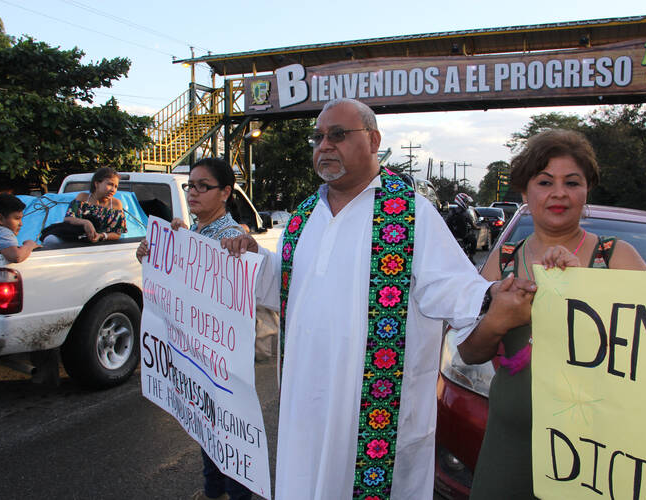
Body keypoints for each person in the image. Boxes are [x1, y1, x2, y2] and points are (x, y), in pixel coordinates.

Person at [220, 98, 534, 499]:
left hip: (374, 418)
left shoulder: (408, 214)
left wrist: (490, 295)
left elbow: (453, 286)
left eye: (338, 135)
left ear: (373, 140)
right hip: (307, 407)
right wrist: (249, 259)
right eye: (318, 137)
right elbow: (285, 284)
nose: (324, 145)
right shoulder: (303, 216)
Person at [460, 129, 646, 499]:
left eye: (572, 182)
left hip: (597, 453)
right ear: (525, 191)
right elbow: (469, 353)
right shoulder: (504, 260)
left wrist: (582, 289)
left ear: (587, 190)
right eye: (545, 181)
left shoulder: (617, 258)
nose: (559, 193)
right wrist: (498, 321)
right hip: (510, 444)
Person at [135, 157, 251, 500]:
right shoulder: (195, 231)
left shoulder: (230, 237)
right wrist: (154, 253)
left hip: (222, 358)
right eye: (191, 185)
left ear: (226, 192)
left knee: (228, 433)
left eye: (204, 186)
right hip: (197, 351)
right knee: (206, 425)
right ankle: (213, 491)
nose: (193, 193)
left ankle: (234, 494)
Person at [43, 167, 126, 246]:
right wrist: (86, 222)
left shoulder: (116, 204)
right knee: (50, 240)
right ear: (97, 183)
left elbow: (117, 233)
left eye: (116, 186)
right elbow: (68, 218)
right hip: (74, 239)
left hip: (102, 246)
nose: (113, 189)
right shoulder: (83, 198)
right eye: (110, 184)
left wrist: (101, 236)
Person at [445, 192, 477, 258]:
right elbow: (472, 224)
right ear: (461, 201)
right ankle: (471, 256)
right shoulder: (465, 213)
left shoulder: (451, 212)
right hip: (462, 236)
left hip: (451, 237)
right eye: (466, 202)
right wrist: (476, 227)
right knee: (474, 240)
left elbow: (446, 223)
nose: (467, 204)